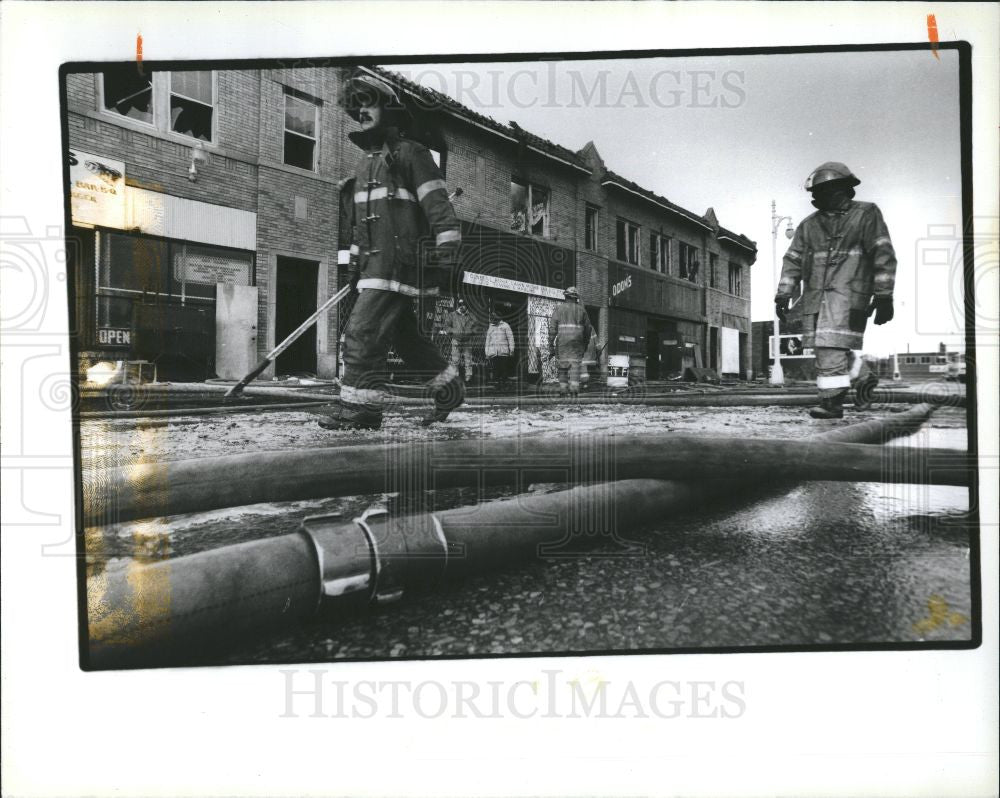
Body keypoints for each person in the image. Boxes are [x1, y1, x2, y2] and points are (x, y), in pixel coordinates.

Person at [320, 72, 464, 431]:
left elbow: (440, 211)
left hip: (400, 266)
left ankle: (363, 410)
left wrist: (446, 259)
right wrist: (355, 265)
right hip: (373, 268)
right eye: (357, 107)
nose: (362, 112)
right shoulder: (363, 167)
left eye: (369, 103)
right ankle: (450, 389)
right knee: (405, 338)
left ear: (389, 109)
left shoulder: (412, 155)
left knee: (362, 332)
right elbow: (360, 229)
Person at [775, 161, 895, 419]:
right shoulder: (809, 225)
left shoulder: (866, 215)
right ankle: (863, 378)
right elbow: (793, 260)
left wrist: (884, 295)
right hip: (816, 298)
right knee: (829, 345)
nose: (815, 199)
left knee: (829, 348)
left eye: (821, 192)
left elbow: (883, 254)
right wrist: (784, 293)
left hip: (849, 296)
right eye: (814, 194)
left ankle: (831, 403)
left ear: (841, 189)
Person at [548, 286, 593, 397]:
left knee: (562, 366)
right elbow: (588, 329)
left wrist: (550, 344)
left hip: (562, 342)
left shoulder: (559, 309)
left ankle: (563, 390)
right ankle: (574, 390)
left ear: (565, 297)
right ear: (576, 298)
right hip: (577, 343)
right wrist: (585, 343)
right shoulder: (582, 310)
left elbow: (552, 328)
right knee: (575, 366)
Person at [446, 299, 478, 384]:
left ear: (466, 306)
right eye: (460, 304)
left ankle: (468, 378)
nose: (461, 306)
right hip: (456, 340)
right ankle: (456, 378)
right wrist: (453, 332)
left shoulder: (471, 316)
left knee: (468, 360)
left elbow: (476, 327)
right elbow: (446, 326)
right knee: (455, 360)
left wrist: (471, 332)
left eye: (463, 304)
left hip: (467, 341)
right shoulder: (452, 315)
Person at [485, 312, 515, 386]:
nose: (494, 318)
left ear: (499, 317)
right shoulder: (491, 327)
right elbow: (487, 340)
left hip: (503, 351)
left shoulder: (505, 325)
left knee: (504, 368)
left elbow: (510, 338)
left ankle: (504, 384)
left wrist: (512, 350)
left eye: (495, 316)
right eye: (493, 317)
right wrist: (487, 353)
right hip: (494, 352)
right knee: (496, 369)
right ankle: (497, 385)